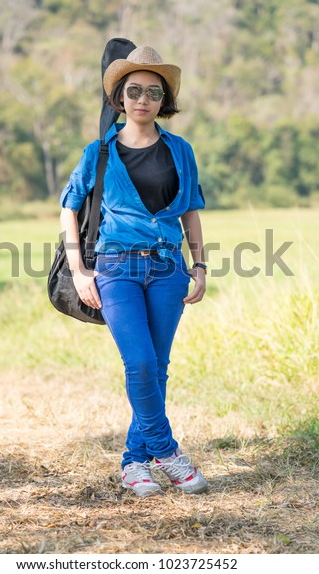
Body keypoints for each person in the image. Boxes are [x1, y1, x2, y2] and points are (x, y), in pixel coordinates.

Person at [60, 45, 208, 498]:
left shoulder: (180, 150)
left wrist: (199, 266)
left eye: (153, 92)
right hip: (115, 269)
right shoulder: (98, 153)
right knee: (140, 362)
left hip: (168, 270)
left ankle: (134, 463)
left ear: (164, 101)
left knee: (158, 369)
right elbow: (68, 209)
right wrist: (80, 271)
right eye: (134, 91)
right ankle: (167, 452)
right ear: (119, 99)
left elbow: (191, 213)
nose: (143, 99)